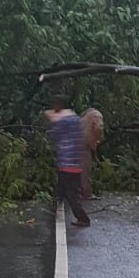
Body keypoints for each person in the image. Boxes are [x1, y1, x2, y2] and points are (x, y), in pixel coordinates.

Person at [44, 95, 90, 227]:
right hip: (76, 163)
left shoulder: (62, 122)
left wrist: (52, 119)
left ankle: (83, 218)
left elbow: (53, 135)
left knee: (71, 194)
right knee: (61, 189)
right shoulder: (76, 119)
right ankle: (55, 211)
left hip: (67, 163)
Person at [80, 106, 104, 200]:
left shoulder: (84, 117)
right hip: (84, 143)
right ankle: (86, 194)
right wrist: (97, 140)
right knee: (85, 169)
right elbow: (98, 128)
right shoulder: (97, 115)